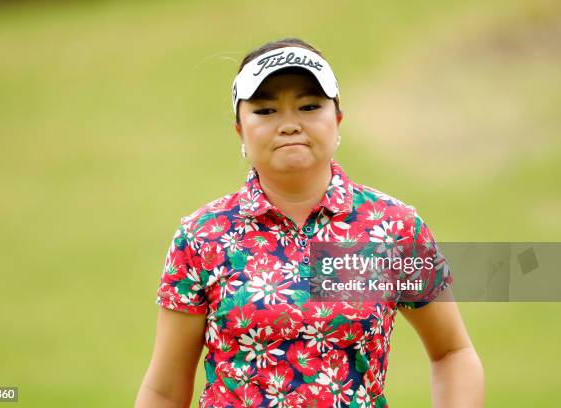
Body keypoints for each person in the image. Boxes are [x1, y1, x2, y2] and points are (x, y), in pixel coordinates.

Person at [135, 38, 484, 408]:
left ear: (337, 120)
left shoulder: (391, 227)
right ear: (239, 129)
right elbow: (165, 390)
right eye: (266, 110)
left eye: (308, 106)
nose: (289, 125)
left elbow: (452, 352)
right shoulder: (202, 237)